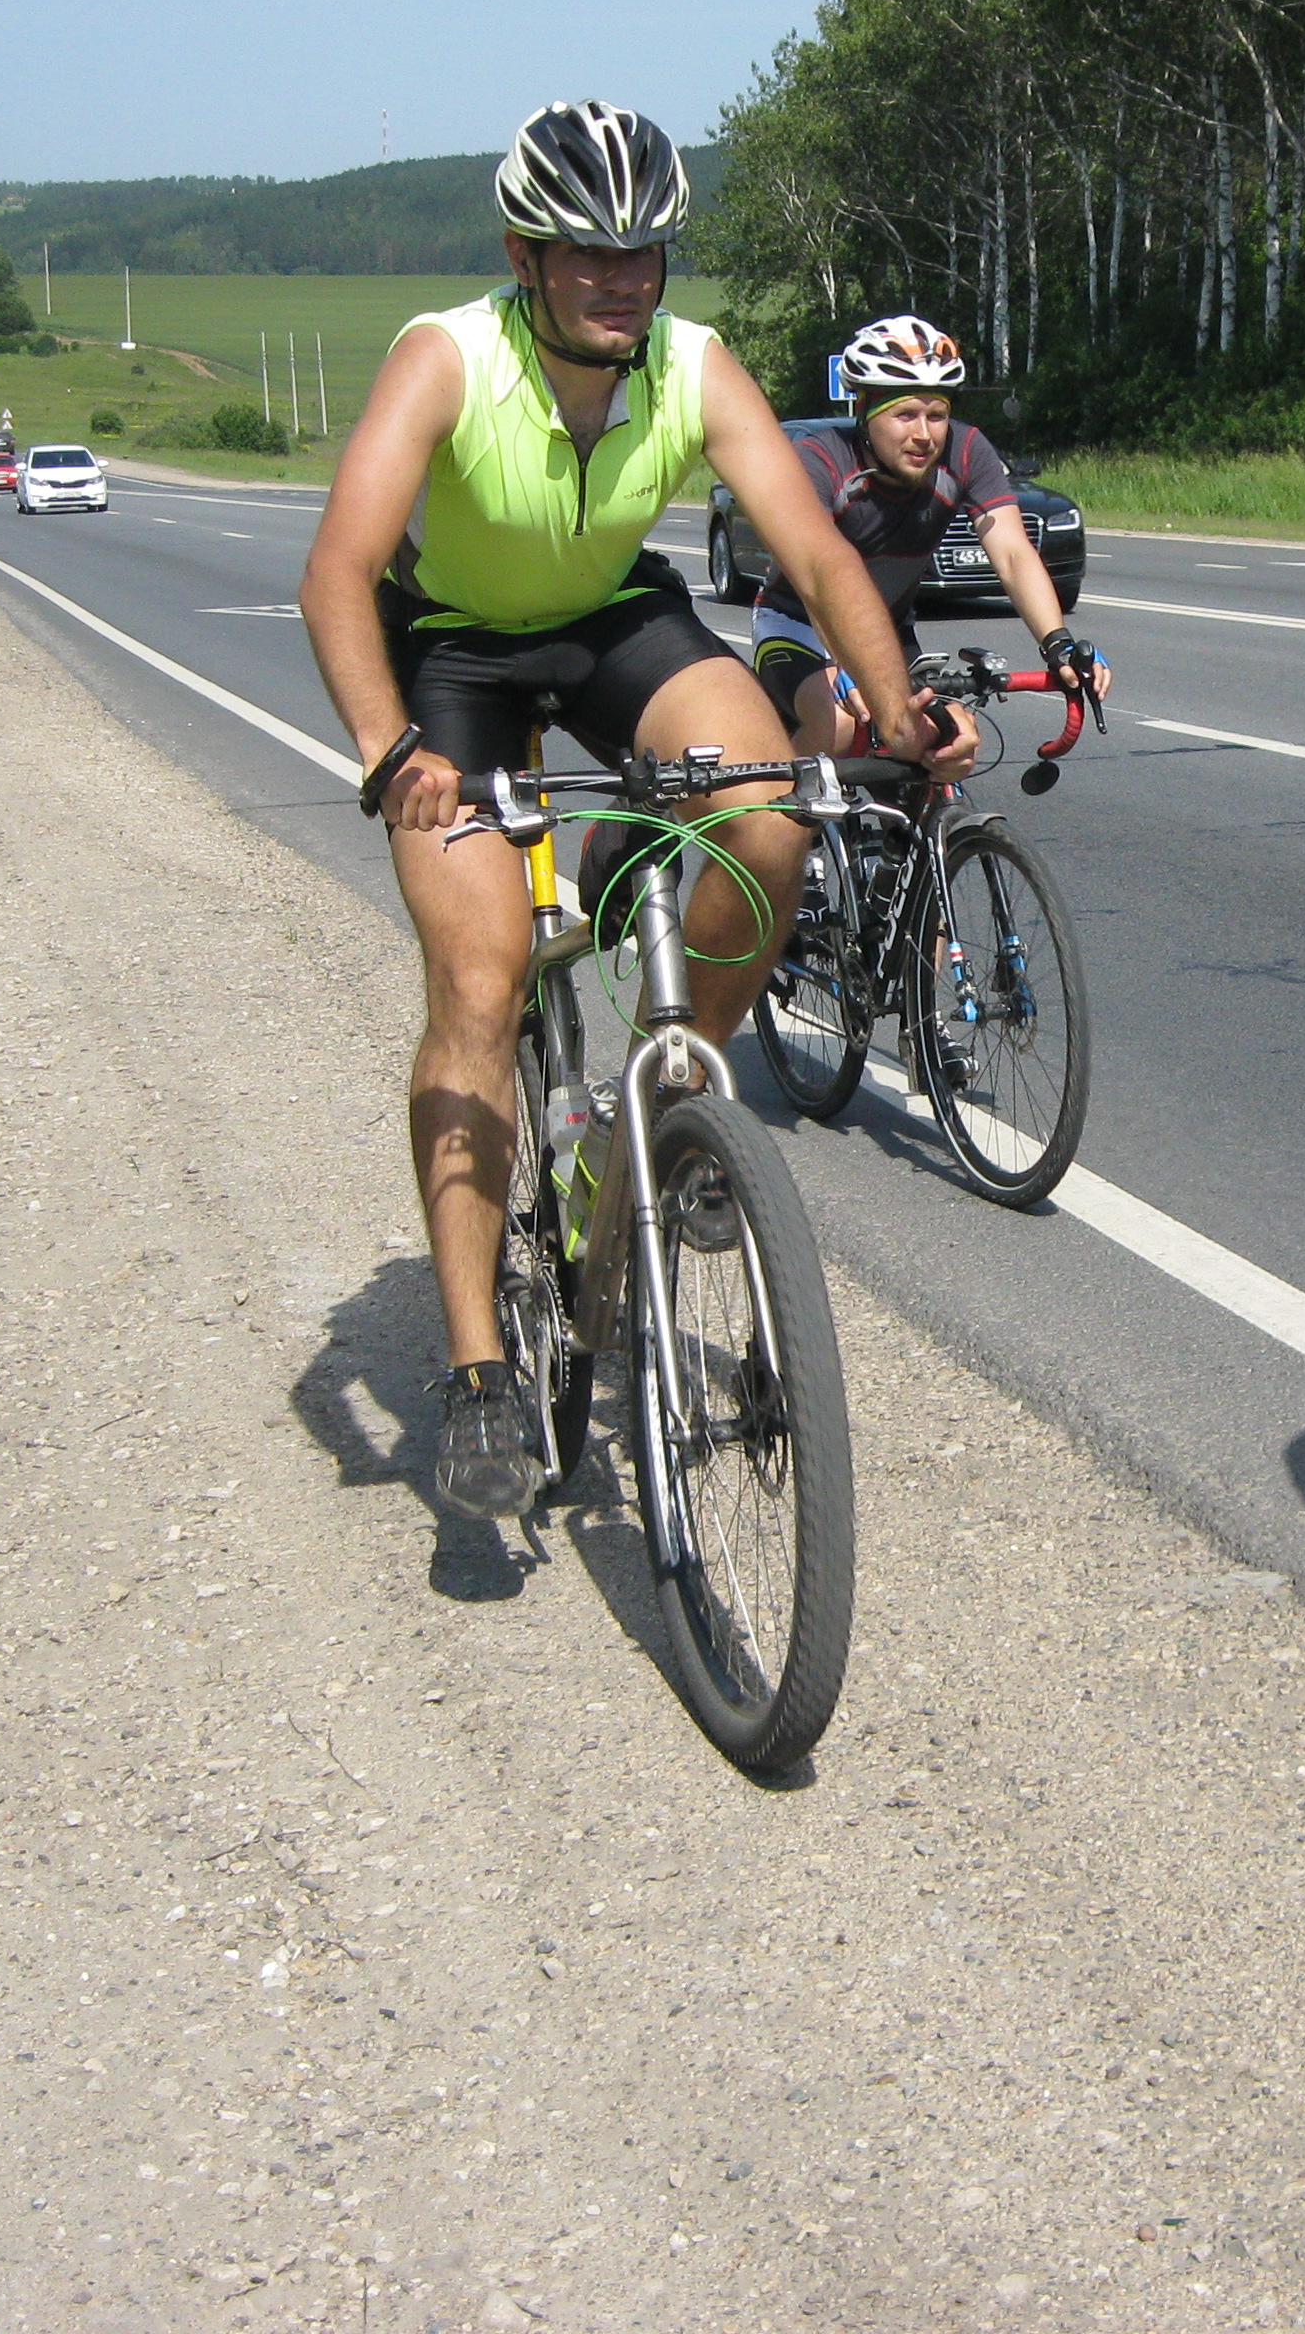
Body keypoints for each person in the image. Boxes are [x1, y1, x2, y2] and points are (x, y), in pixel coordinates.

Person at [299, 102, 966, 1517]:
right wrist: (387, 750)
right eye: (587, 255)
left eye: (643, 255)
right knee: (479, 982)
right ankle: (479, 1370)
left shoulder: (690, 365)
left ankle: (653, 1118)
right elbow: (338, 570)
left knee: (770, 814)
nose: (620, 281)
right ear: (524, 258)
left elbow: (816, 551)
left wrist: (900, 711)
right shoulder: (448, 357)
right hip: (455, 654)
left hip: (612, 621)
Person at [748, 315, 1110, 752]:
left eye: (937, 416)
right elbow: (817, 572)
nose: (923, 435)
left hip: (887, 633)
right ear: (864, 412)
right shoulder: (819, 459)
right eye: (905, 415)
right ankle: (779, 794)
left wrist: (1058, 644)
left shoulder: (966, 449)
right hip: (800, 625)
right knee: (843, 726)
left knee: (947, 738)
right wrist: (846, 661)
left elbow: (1013, 554)